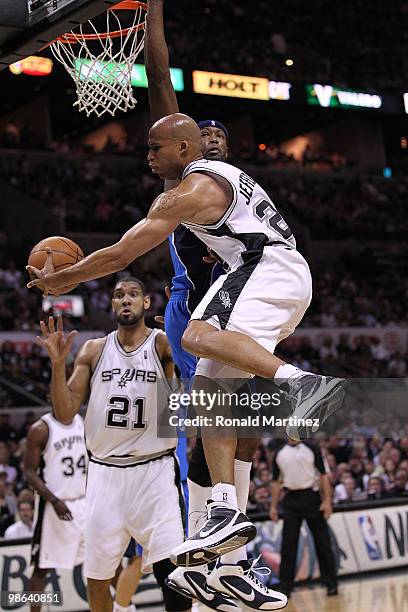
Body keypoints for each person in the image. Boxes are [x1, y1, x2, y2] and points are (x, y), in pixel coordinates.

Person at [27, 112, 345, 597]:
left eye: (155, 148)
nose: (148, 156)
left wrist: (64, 280)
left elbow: (120, 254)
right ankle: (229, 542)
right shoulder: (202, 184)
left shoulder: (196, 189)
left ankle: (302, 384)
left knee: (195, 335)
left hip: (267, 267)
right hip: (273, 277)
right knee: (211, 395)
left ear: (183, 148)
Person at [145, 2, 258, 609]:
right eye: (198, 136)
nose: (206, 144)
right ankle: (206, 546)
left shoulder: (238, 194)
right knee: (209, 419)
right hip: (194, 307)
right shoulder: (182, 180)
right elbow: (163, 81)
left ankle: (232, 551)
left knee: (245, 428)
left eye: (217, 139)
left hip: (240, 303)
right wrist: (155, 16)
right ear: (184, 145)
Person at [35, 279, 191, 612]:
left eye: (133, 294)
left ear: (146, 303)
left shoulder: (161, 343)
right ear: (111, 304)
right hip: (105, 475)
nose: (125, 300)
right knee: (97, 582)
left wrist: (180, 331)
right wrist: (57, 365)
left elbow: (187, 367)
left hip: (155, 473)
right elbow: (64, 412)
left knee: (175, 577)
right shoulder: (93, 350)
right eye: (119, 295)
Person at [24, 410, 87, 612]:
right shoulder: (40, 429)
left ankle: (122, 607)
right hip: (54, 505)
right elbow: (29, 472)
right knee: (42, 568)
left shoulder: (80, 421)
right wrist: (53, 499)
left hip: (84, 501)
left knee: (101, 560)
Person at [269, 438, 338, 598]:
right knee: (288, 545)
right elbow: (276, 482)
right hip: (291, 499)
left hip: (312, 497)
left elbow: (323, 475)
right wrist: (273, 507)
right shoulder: (279, 453)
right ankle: (286, 587)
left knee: (323, 542)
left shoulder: (312, 448)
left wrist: (327, 500)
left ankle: (331, 583)